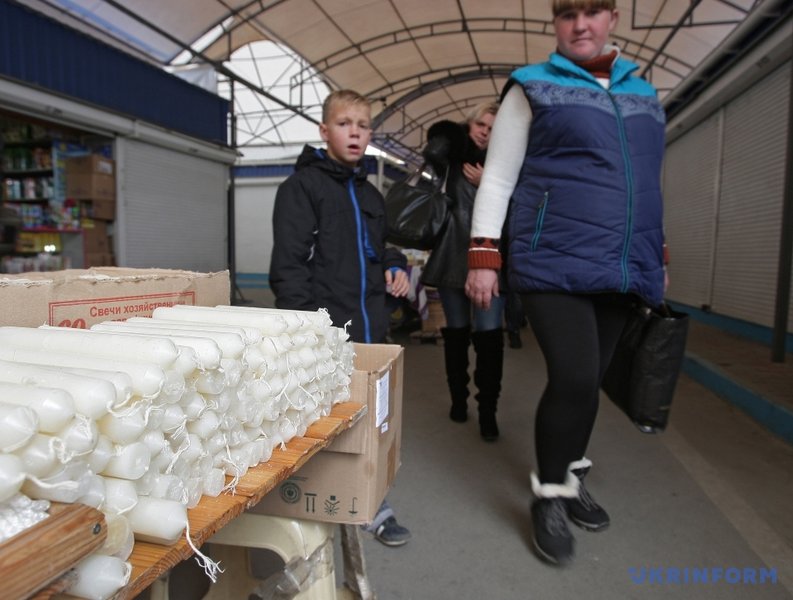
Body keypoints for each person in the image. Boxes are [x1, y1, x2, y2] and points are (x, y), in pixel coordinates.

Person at [465, 0, 667, 565]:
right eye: (568, 13)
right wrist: (483, 255)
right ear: (555, 22)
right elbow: (498, 177)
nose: (581, 24)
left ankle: (571, 476)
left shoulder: (644, 96)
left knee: (592, 380)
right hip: (552, 257)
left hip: (623, 262)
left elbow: (649, 183)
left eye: (593, 11)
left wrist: (659, 253)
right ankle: (550, 494)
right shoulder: (532, 87)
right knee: (575, 376)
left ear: (612, 19)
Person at [269, 89, 412, 547]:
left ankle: (367, 500)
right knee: (326, 415)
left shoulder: (370, 193)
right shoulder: (302, 188)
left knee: (371, 413)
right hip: (326, 327)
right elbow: (289, 266)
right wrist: (305, 331)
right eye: (345, 123)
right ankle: (319, 499)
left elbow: (382, 246)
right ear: (324, 130)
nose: (355, 132)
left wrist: (396, 266)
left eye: (363, 125)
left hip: (372, 323)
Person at [419, 102, 505, 442]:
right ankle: (458, 398)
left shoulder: (505, 166)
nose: (485, 132)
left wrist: (490, 183)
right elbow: (433, 150)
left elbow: (522, 206)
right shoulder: (452, 160)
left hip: (490, 261)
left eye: (493, 129)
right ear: (469, 125)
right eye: (480, 124)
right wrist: (454, 133)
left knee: (489, 338)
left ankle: (488, 410)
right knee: (455, 334)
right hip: (453, 255)